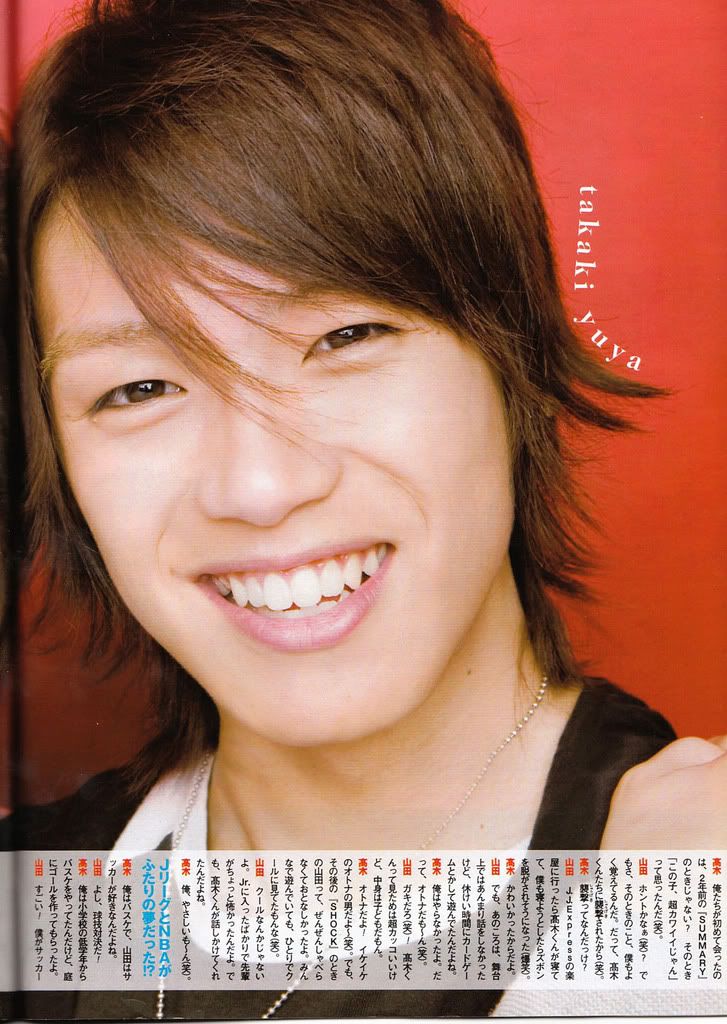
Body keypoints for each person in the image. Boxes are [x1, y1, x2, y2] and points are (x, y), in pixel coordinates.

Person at [5, 0, 724, 1018]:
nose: (259, 486)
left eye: (345, 337)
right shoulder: (34, 918)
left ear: (510, 350)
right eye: (139, 389)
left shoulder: (699, 888)